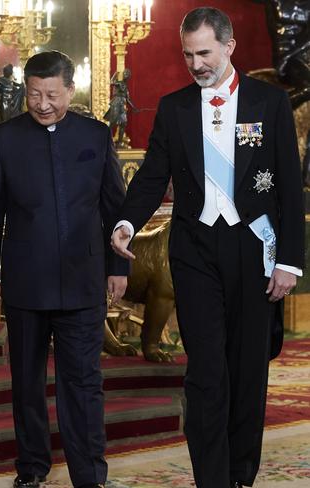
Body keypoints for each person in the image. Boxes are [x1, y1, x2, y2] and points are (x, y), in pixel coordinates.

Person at [111, 8, 304, 488]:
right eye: (188, 54)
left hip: (254, 247)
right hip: (195, 250)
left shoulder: (269, 103)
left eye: (204, 53)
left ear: (229, 46)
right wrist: (125, 222)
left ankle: (241, 473)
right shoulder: (175, 107)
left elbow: (290, 188)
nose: (196, 63)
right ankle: (211, 478)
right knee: (206, 370)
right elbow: (153, 175)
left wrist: (290, 262)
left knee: (247, 368)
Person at [0, 51, 129, 488]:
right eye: (34, 95)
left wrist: (118, 267)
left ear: (71, 91)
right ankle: (32, 469)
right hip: (25, 282)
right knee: (26, 383)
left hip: (84, 281)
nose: (43, 104)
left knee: (83, 383)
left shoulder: (96, 136)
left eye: (52, 95)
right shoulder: (4, 139)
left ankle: (89, 476)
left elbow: (113, 209)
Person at [103, 68, 136, 148]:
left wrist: (133, 107)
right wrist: (115, 74)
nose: (126, 75)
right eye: (125, 73)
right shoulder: (119, 83)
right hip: (116, 103)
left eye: (128, 74)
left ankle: (120, 142)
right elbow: (111, 82)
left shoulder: (126, 87)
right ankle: (108, 140)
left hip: (122, 106)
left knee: (123, 123)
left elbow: (128, 99)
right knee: (113, 122)